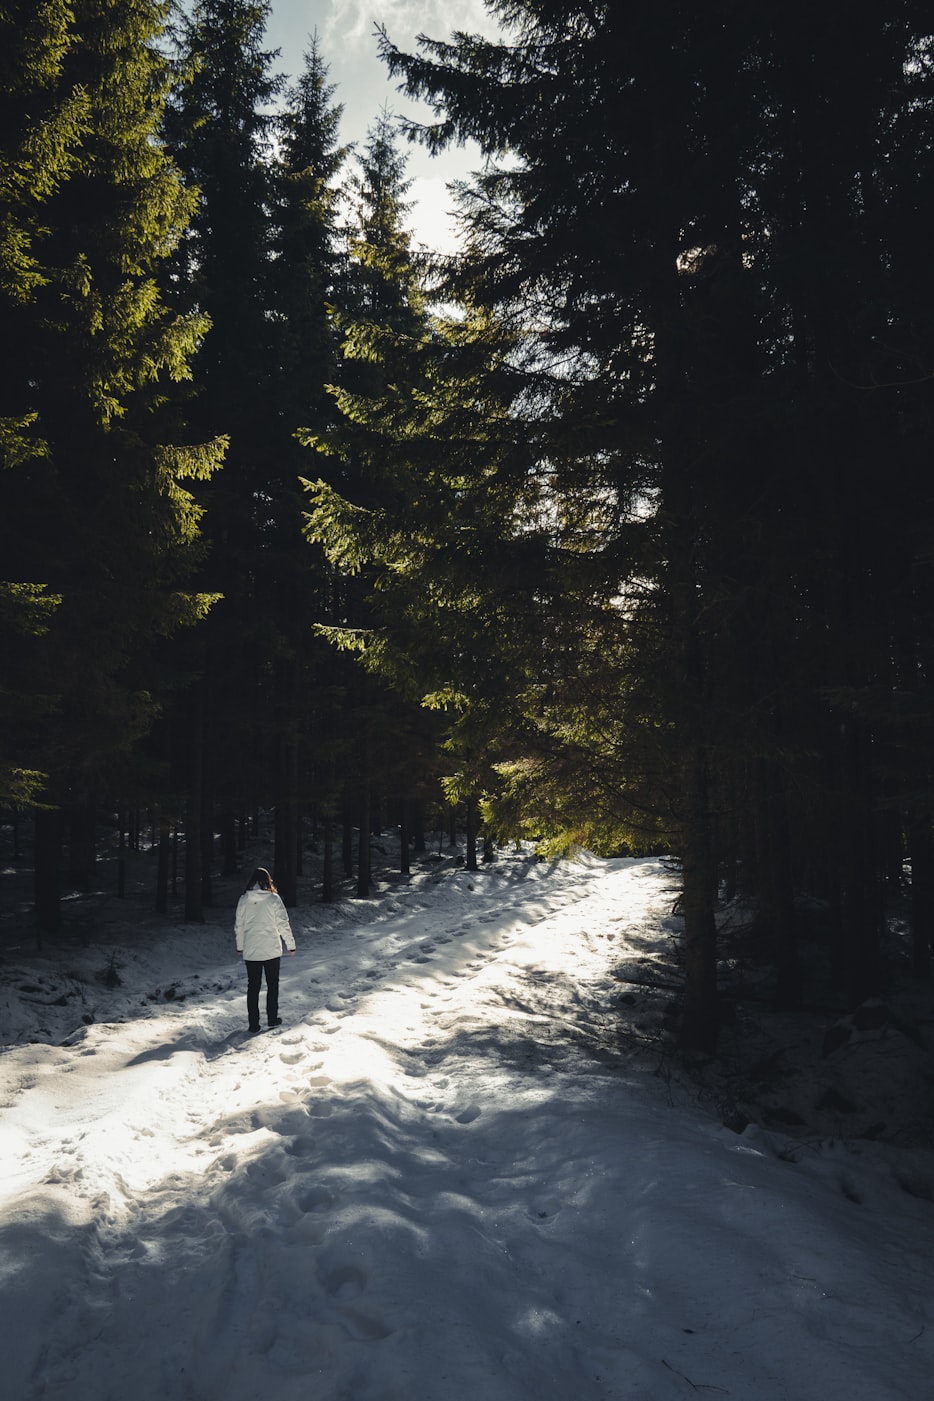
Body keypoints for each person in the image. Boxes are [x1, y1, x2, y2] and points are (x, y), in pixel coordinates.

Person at [235, 867, 296, 1032]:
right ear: (268, 881)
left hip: (251, 950)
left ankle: (253, 1024)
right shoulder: (274, 899)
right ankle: (272, 1018)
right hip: (271, 950)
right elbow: (283, 923)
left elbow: (239, 926)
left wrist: (240, 946)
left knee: (253, 987)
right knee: (272, 985)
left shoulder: (243, 900)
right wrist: (291, 945)